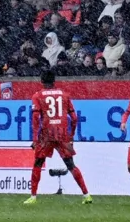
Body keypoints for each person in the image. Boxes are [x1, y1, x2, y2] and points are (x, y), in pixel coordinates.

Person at [22, 69, 90, 204]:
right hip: (62, 134)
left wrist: (35, 139)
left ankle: (33, 197)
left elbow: (35, 119)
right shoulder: (65, 95)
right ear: (54, 81)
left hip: (46, 135)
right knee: (71, 165)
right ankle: (86, 195)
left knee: (38, 163)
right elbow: (75, 118)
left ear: (41, 82)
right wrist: (70, 136)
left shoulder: (37, 96)